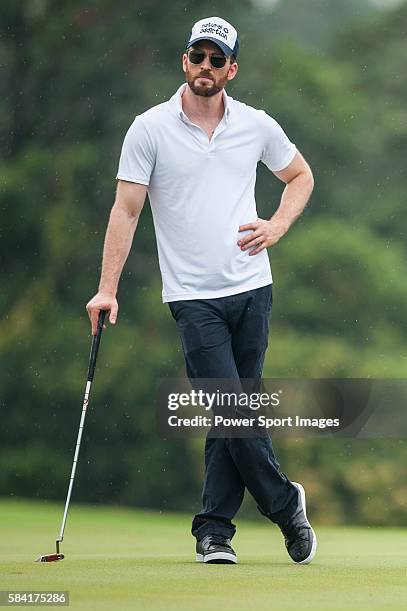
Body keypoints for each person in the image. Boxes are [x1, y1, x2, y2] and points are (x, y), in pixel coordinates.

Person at [86, 16, 317, 565]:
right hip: (191, 296)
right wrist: (106, 289)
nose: (205, 67)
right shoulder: (149, 128)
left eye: (217, 59)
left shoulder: (257, 125)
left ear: (231, 69)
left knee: (231, 414)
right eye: (198, 56)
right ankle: (286, 506)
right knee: (232, 408)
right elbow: (126, 208)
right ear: (184, 61)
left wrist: (277, 226)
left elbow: (301, 176)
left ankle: (214, 532)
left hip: (252, 290)